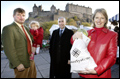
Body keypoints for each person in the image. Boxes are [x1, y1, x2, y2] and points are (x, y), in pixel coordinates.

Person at [71, 8, 118, 78]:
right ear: (93, 19)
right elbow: (77, 45)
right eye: (97, 17)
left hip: (100, 75)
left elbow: (111, 57)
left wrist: (97, 70)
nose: (99, 20)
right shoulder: (87, 32)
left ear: (105, 20)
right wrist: (73, 37)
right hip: (84, 73)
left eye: (102, 18)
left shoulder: (112, 35)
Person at [2, 8, 37, 78]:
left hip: (31, 60)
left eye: (23, 15)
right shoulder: (8, 28)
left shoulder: (26, 28)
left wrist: (33, 47)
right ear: (13, 16)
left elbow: (30, 40)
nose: (21, 17)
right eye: (18, 15)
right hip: (21, 63)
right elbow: (9, 49)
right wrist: (17, 64)